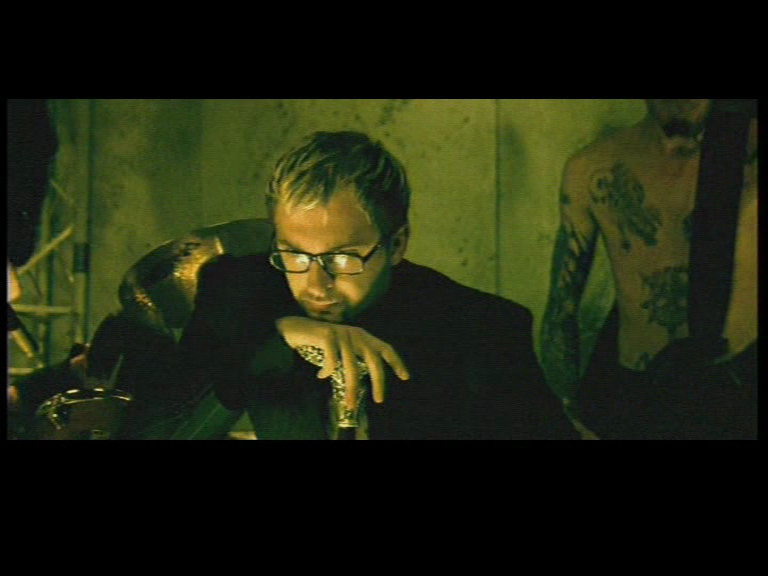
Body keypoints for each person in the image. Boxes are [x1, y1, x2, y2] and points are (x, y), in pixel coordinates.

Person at [180, 131, 577, 439]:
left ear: (397, 244)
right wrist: (284, 329)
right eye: (295, 254)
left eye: (342, 258)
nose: (316, 285)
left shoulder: (483, 330)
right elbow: (196, 375)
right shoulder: (238, 285)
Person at [540, 99, 757, 440]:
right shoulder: (593, 167)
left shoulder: (746, 151)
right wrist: (565, 407)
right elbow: (561, 310)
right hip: (639, 392)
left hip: (738, 384)